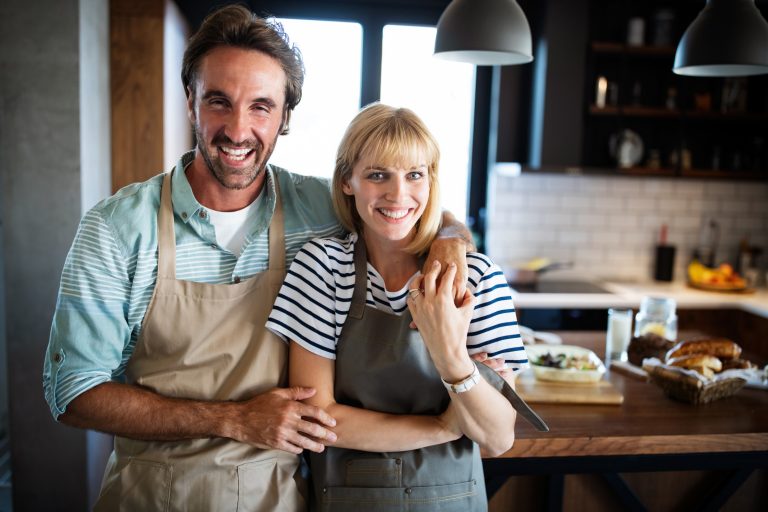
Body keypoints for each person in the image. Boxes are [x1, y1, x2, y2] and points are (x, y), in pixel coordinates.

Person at [42, 5, 473, 511]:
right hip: (149, 496)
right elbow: (72, 392)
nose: (238, 129)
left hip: (280, 496)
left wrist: (450, 236)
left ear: (285, 116)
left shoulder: (317, 208)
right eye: (218, 101)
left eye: (261, 107)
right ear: (190, 102)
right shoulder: (117, 229)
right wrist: (232, 418)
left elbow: (404, 207)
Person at [266, 103, 534, 511]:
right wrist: (446, 425)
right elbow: (316, 415)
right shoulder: (322, 267)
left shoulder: (476, 278)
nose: (398, 195)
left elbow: (498, 437)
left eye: (414, 175)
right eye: (378, 175)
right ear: (347, 182)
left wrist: (451, 357)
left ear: (431, 181)